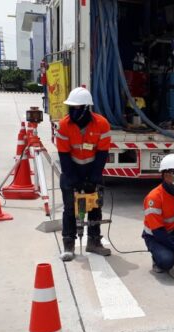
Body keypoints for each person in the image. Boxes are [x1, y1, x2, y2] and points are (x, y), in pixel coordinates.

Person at [55, 87, 112, 261]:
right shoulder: (64, 125)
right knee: (70, 208)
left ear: (87, 108)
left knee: (94, 206)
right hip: (71, 169)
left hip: (92, 169)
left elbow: (102, 153)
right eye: (71, 107)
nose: (73, 111)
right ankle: (68, 244)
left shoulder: (102, 124)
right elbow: (63, 156)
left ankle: (94, 241)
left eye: (77, 108)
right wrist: (74, 181)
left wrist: (93, 178)